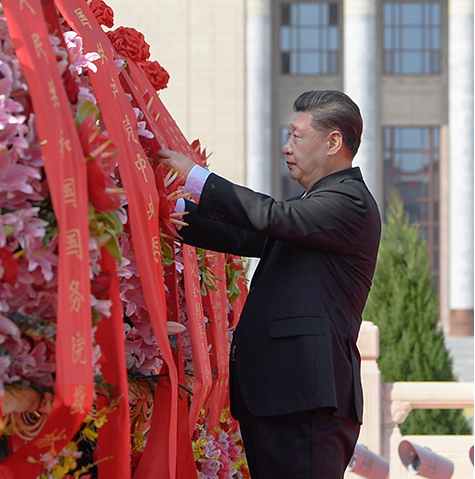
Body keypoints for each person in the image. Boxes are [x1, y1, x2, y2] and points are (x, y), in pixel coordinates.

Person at [158, 90, 381, 479]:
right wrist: (163, 207)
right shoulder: (314, 207)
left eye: (296, 136)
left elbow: (272, 217)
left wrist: (194, 177)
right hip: (281, 396)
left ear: (333, 142)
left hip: (305, 401)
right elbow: (244, 236)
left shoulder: (349, 202)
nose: (285, 147)